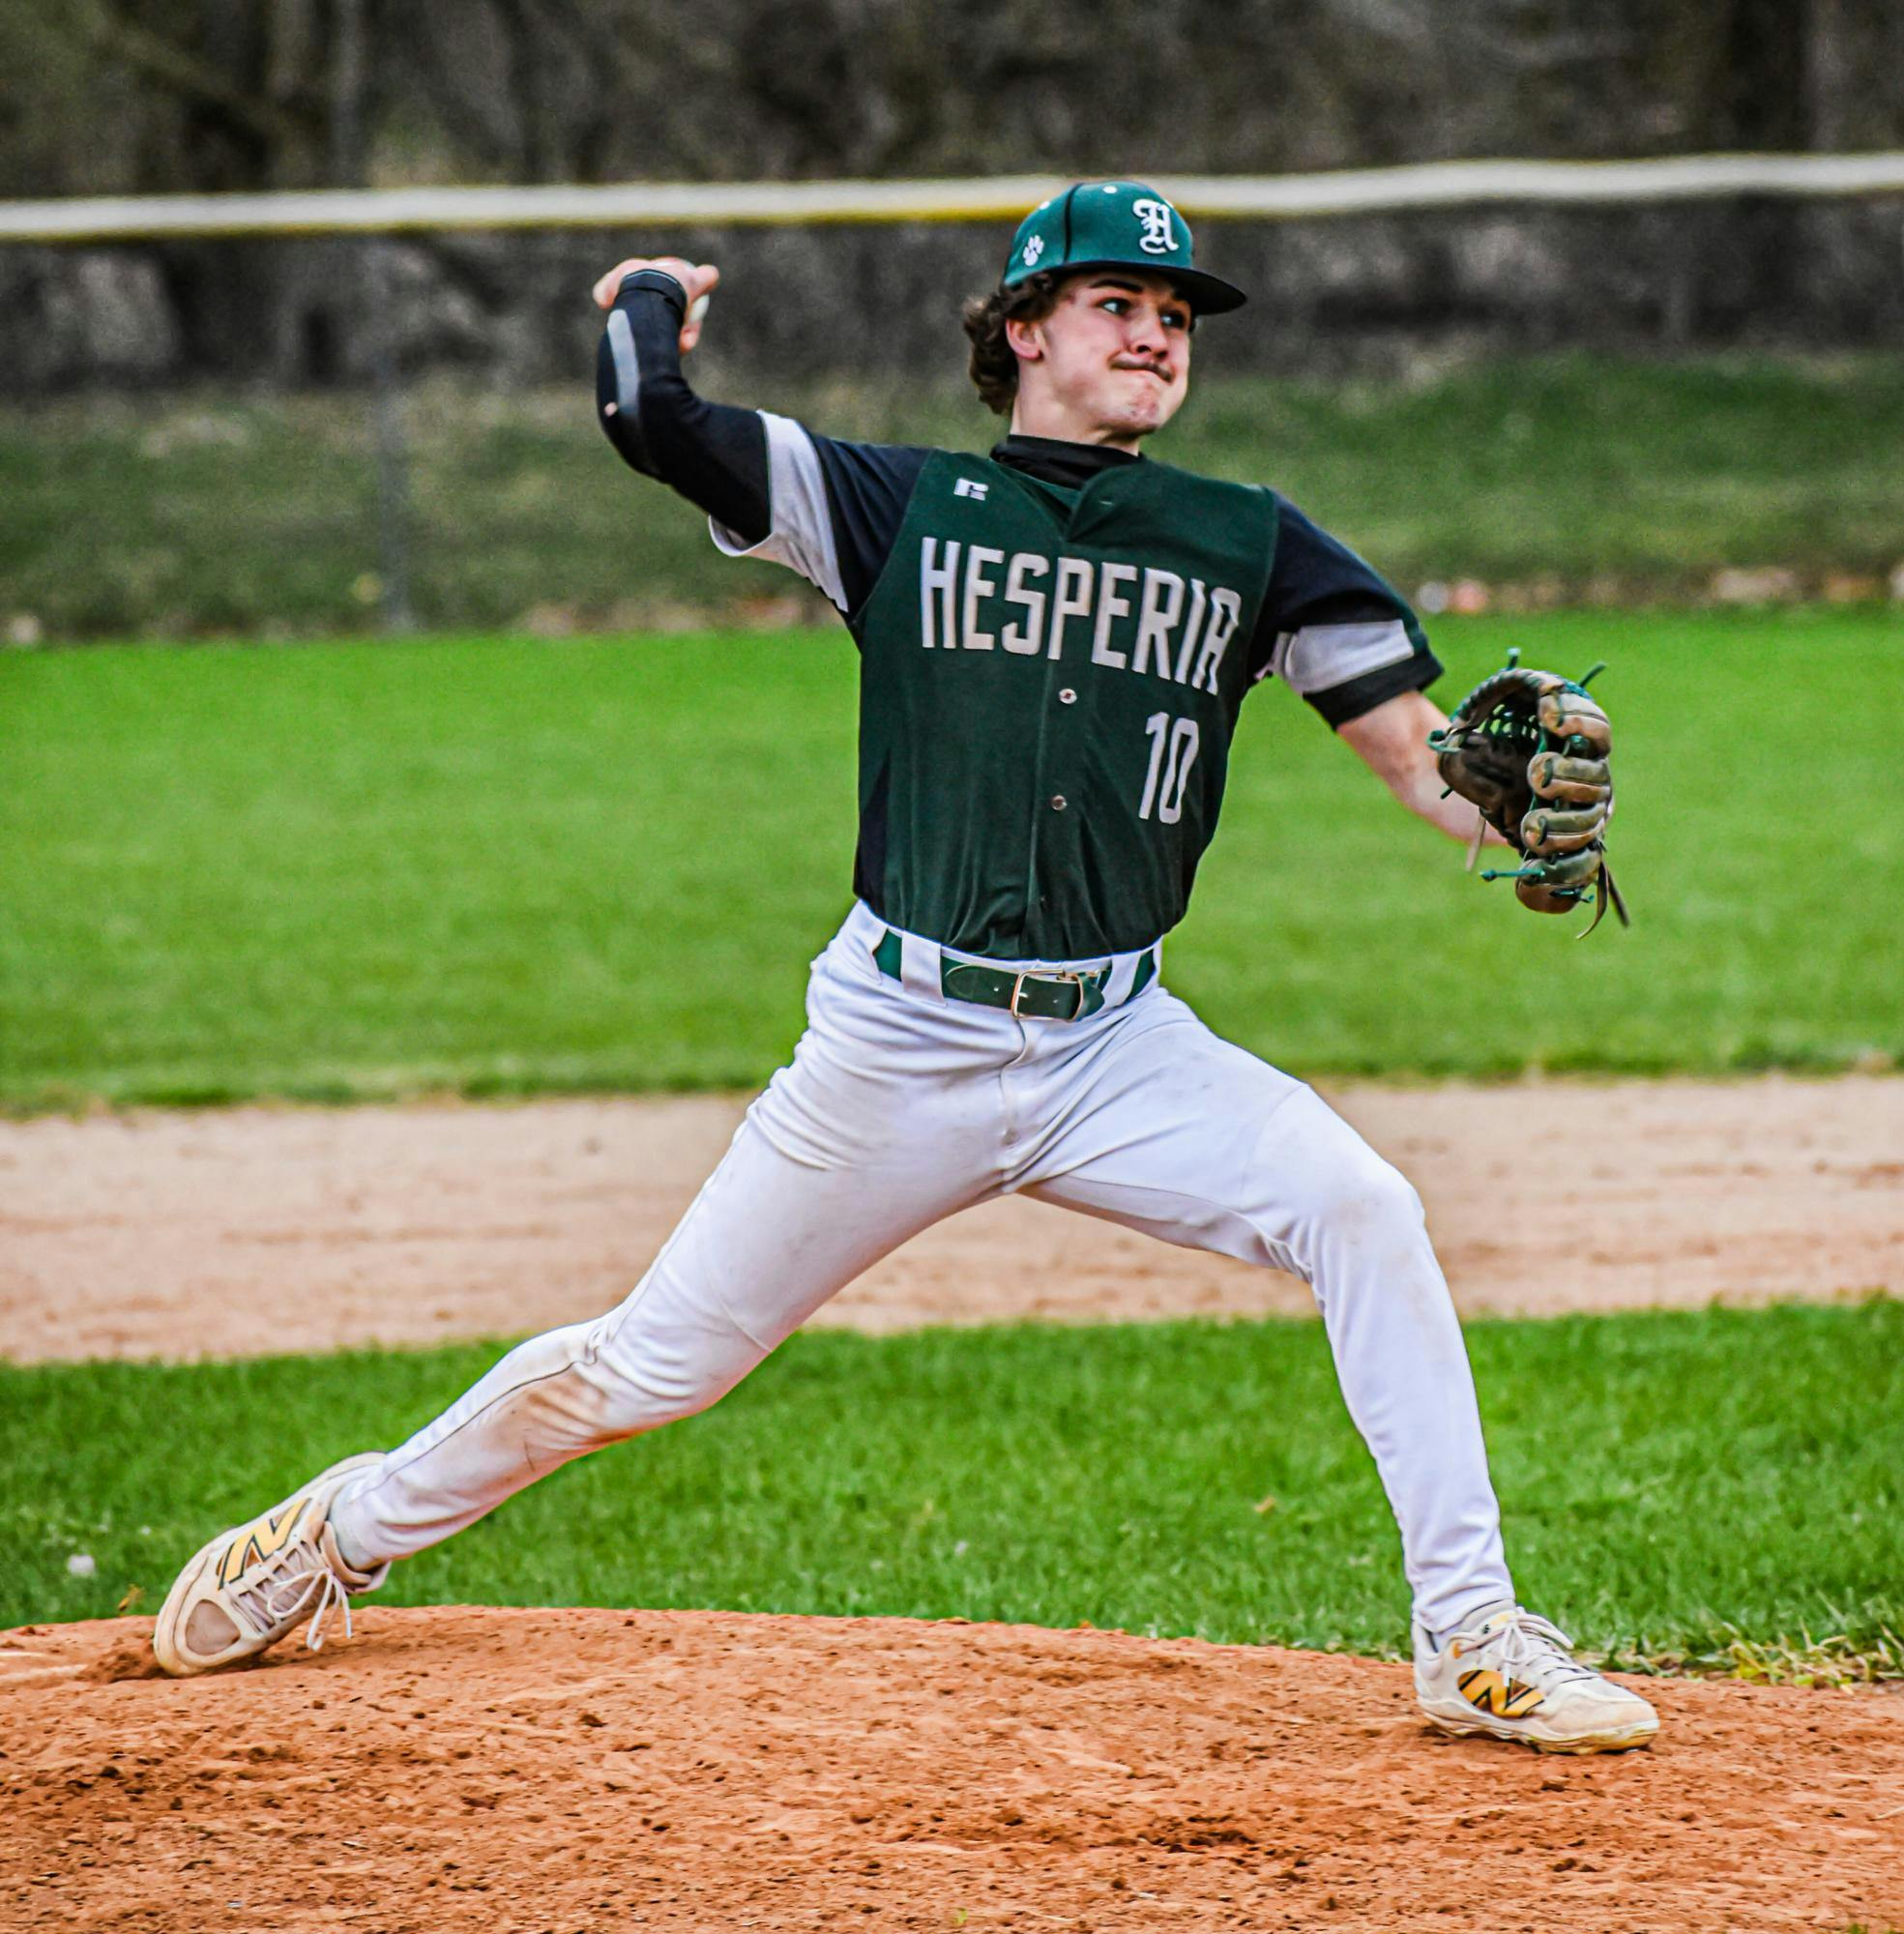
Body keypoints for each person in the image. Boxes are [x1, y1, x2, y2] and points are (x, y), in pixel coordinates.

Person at [154, 181, 1656, 1755]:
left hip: (1116, 1047)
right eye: (1115, 306)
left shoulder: (1246, 542)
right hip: (894, 1045)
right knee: (653, 1366)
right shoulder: (893, 506)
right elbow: (652, 420)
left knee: (1365, 1209)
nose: (1154, 335)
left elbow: (1415, 752)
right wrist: (648, 301)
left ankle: (1469, 1632)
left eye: (1172, 317)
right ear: (1020, 333)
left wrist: (1502, 821)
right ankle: (340, 1534)